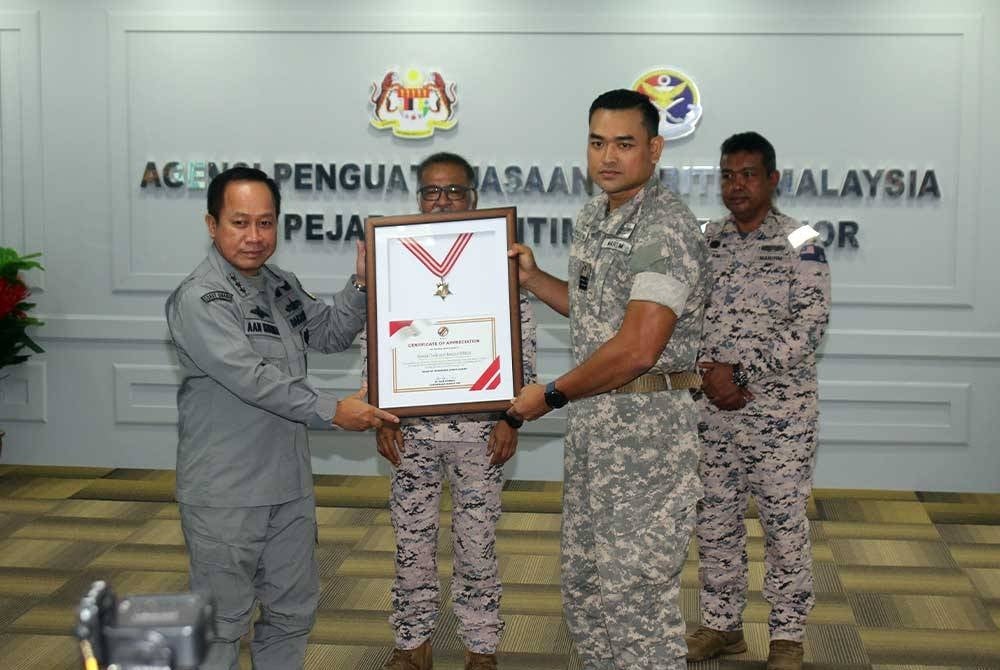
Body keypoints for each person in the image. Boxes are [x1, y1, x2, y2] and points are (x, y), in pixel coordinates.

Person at [507, 89, 710, 670]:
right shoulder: (596, 216)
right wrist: (534, 279)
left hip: (647, 438)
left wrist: (550, 395)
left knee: (636, 603)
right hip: (597, 430)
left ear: (655, 149)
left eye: (624, 144)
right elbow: (597, 315)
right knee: (587, 589)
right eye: (598, 143)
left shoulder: (664, 227)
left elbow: (639, 348)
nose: (609, 157)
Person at [166, 166, 397, 670]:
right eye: (239, 222)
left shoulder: (280, 285)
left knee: (292, 612)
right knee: (223, 622)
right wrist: (334, 410)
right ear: (212, 225)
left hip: (288, 485)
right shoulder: (200, 298)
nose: (254, 236)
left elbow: (330, 334)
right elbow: (252, 378)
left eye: (265, 223)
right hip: (226, 491)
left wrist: (362, 282)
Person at [366, 152, 537, 670]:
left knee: (477, 546)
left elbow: (522, 344)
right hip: (410, 431)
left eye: (454, 191)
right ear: (418, 198)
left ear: (473, 198)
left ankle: (480, 648)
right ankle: (412, 643)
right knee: (411, 542)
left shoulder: (497, 262)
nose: (442, 201)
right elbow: (379, 340)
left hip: (481, 432)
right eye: (432, 191)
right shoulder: (395, 261)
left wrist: (511, 418)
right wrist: (379, 414)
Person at [685, 132, 831, 670]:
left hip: (780, 416)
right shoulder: (704, 240)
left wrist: (741, 373)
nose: (736, 185)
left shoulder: (801, 241)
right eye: (728, 175)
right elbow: (681, 317)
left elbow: (809, 325)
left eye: (748, 174)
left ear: (772, 179)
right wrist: (709, 375)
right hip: (711, 412)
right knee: (715, 520)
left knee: (783, 525)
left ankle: (787, 635)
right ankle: (722, 626)